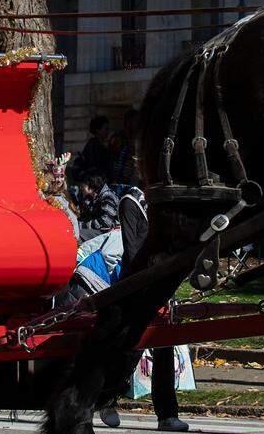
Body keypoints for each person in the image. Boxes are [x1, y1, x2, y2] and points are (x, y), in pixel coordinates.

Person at [116, 187, 189, 432]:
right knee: (129, 350)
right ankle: (105, 400)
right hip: (138, 285)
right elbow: (133, 249)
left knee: (164, 347)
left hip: (163, 282)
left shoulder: (165, 200)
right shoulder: (130, 202)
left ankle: (167, 413)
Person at [75, 115, 112, 182]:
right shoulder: (93, 145)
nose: (108, 132)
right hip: (96, 182)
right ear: (97, 130)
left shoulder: (100, 144)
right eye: (106, 129)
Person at [110, 108, 141, 186]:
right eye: (135, 120)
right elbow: (111, 159)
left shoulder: (137, 138)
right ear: (128, 121)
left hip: (134, 179)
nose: (137, 123)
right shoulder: (117, 138)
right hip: (118, 180)